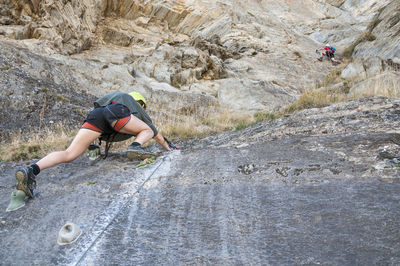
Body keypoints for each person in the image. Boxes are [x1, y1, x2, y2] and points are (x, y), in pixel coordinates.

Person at [14, 91, 171, 198]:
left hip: (96, 116)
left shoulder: (112, 98)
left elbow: (106, 119)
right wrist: (169, 149)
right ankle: (135, 147)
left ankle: (31, 170)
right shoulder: (132, 104)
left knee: (69, 154)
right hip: (117, 113)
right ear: (140, 104)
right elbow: (155, 133)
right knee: (148, 130)